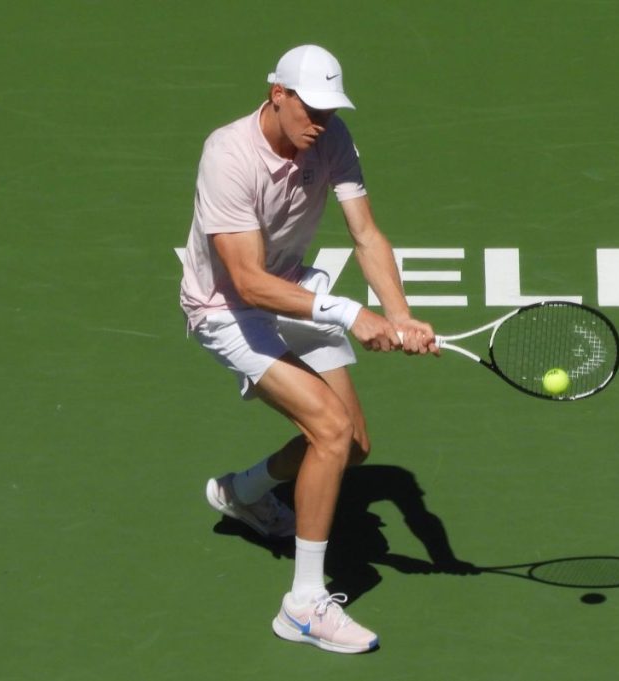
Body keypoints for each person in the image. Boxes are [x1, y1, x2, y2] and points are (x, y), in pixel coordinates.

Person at [179, 44, 437, 654]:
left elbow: (365, 234)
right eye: (310, 109)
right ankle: (303, 606)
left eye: (329, 110)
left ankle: (241, 494)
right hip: (226, 308)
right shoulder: (227, 155)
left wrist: (399, 315)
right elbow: (247, 282)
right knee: (330, 429)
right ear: (278, 95)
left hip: (293, 288)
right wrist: (351, 312)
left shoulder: (332, 137)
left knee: (354, 446)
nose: (320, 122)